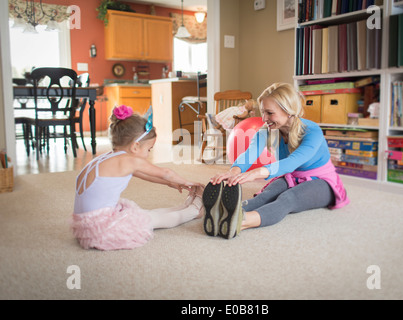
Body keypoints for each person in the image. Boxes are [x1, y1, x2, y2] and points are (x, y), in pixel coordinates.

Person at [202, 83, 349, 239]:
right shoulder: (267, 129)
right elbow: (250, 152)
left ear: (289, 111)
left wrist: (257, 172)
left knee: (288, 199)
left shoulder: (312, 131)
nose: (264, 118)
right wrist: (233, 172)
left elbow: (293, 162)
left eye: (269, 113)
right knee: (265, 195)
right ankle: (225, 213)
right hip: (293, 176)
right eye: (263, 112)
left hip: (322, 182)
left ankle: (240, 221)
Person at [71, 105, 204, 251]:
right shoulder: (129, 160)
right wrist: (185, 181)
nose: (148, 154)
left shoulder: (107, 158)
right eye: (148, 149)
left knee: (144, 214)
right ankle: (193, 211)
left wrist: (170, 183)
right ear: (135, 147)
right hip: (102, 229)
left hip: (88, 224)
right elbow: (166, 172)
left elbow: (142, 174)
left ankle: (183, 206)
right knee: (153, 220)